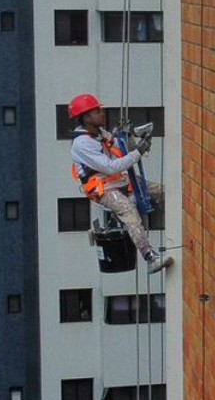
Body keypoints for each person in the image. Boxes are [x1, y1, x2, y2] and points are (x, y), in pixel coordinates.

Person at [68, 93, 172, 274]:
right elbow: (110, 167)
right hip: (103, 188)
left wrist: (133, 139)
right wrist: (138, 152)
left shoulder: (99, 134)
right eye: (96, 112)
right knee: (128, 210)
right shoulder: (82, 144)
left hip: (119, 180)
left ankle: (177, 224)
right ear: (86, 118)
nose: (102, 114)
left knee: (161, 192)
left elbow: (120, 147)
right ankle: (150, 257)